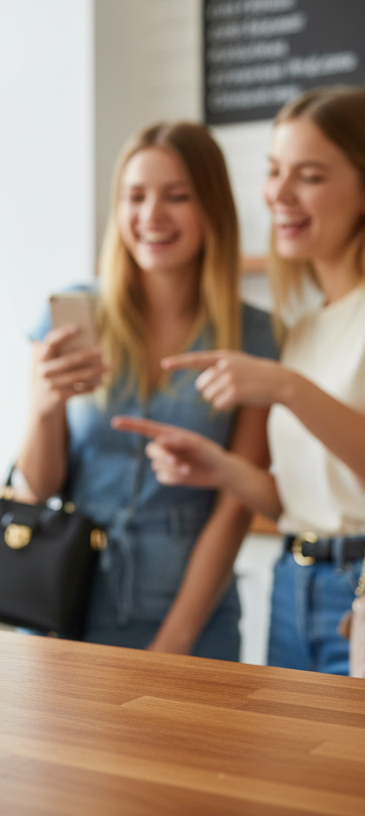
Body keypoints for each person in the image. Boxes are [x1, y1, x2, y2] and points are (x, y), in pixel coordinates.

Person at [113, 87, 365, 675]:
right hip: (293, 585)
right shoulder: (304, 329)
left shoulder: (293, 358)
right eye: (274, 171)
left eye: (308, 176)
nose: (277, 194)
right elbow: (314, 506)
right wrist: (221, 469)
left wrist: (285, 388)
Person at [18, 121, 277, 659]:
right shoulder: (72, 313)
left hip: (191, 618)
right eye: (135, 197)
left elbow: (235, 508)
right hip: (64, 605)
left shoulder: (255, 336)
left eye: (176, 196)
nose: (151, 216)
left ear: (212, 209)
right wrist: (43, 409)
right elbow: (38, 488)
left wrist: (173, 645)